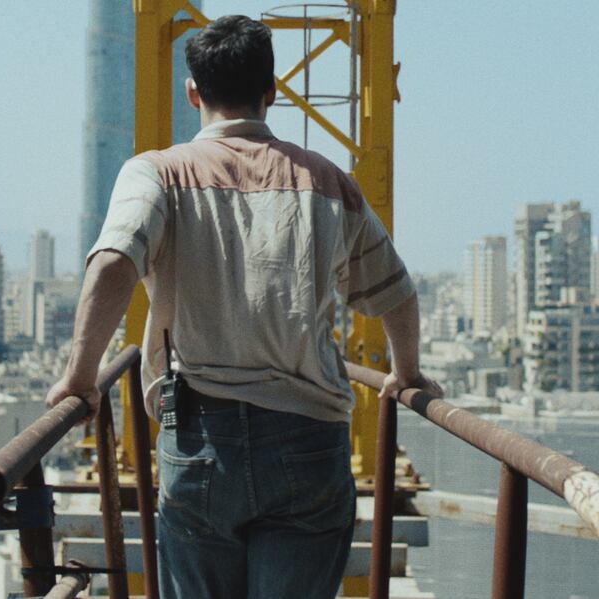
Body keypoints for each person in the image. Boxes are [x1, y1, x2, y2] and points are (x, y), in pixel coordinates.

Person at [45, 14, 442, 599]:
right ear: (272, 92)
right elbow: (396, 290)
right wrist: (405, 373)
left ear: (192, 92)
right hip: (309, 440)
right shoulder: (329, 181)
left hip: (201, 438)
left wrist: (81, 380)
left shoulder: (156, 173)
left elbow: (111, 264)